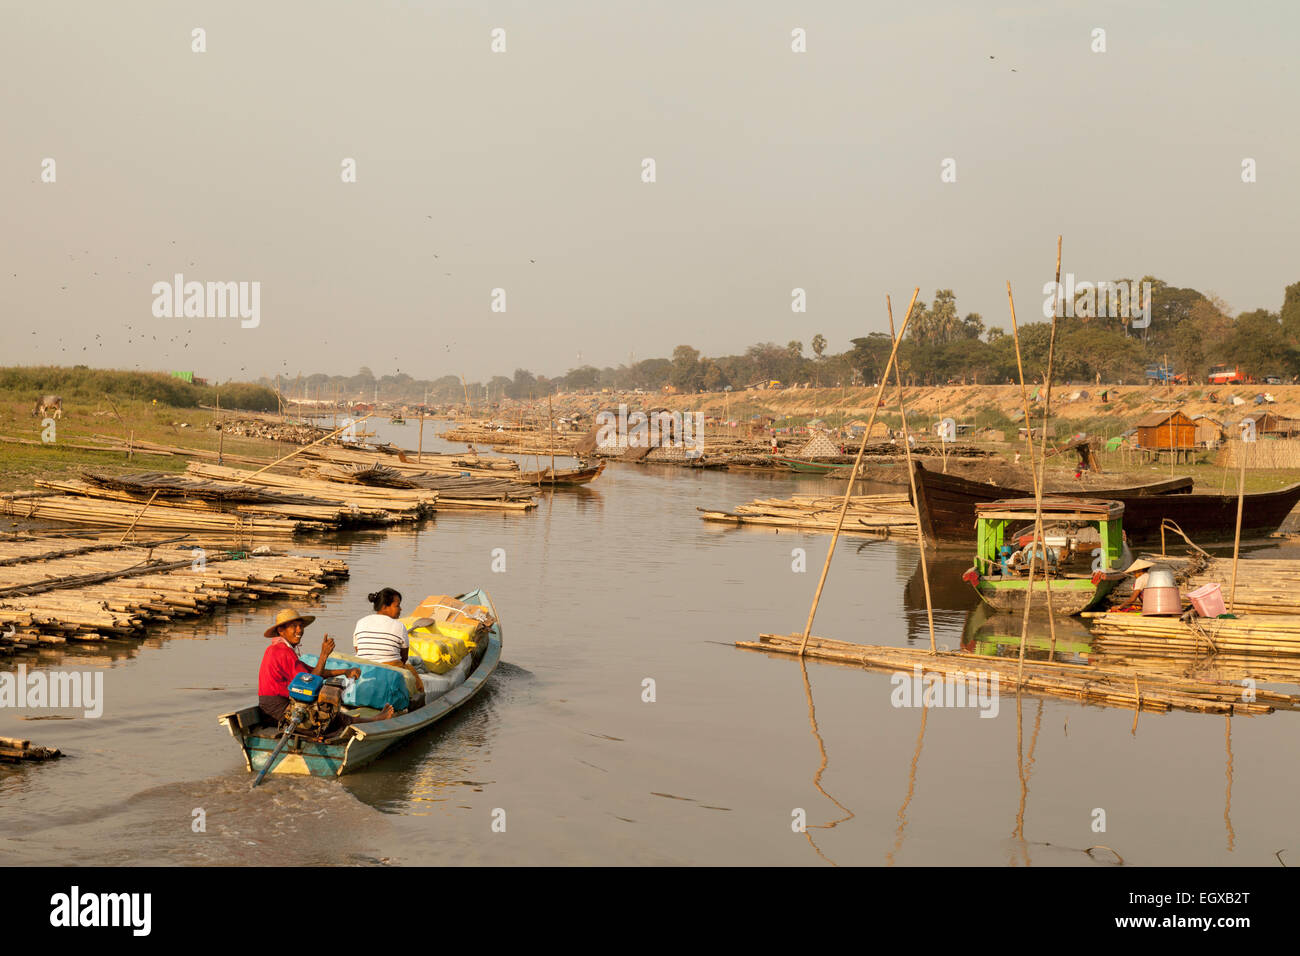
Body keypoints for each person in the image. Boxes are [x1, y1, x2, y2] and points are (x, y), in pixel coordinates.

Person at [258, 608, 394, 729]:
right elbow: (309, 682)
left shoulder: (278, 648)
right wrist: (323, 655)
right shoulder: (283, 651)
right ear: (281, 630)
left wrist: (344, 671)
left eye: (300, 626)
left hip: (272, 704)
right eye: (294, 626)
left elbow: (313, 671)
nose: (299, 630)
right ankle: (373, 720)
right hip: (277, 706)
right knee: (329, 715)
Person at [354, 589, 426, 705]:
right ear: (384, 607)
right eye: (397, 606)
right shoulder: (399, 626)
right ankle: (417, 707)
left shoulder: (361, 622)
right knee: (412, 673)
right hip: (390, 669)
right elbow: (403, 658)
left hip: (364, 668)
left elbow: (358, 650)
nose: (400, 609)